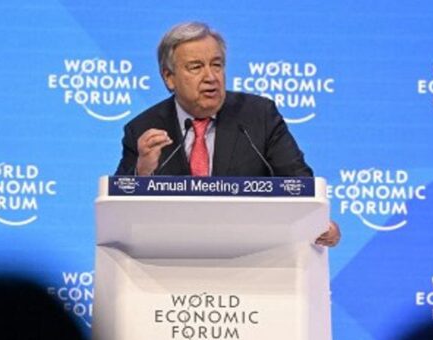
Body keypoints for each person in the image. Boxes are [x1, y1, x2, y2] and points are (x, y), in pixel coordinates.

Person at [115, 21, 340, 247]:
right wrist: (141, 173)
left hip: (252, 255)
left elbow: (299, 184)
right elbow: (118, 213)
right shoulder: (143, 129)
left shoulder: (258, 116)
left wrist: (318, 223)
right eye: (196, 67)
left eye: (217, 65)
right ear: (169, 77)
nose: (211, 77)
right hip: (170, 256)